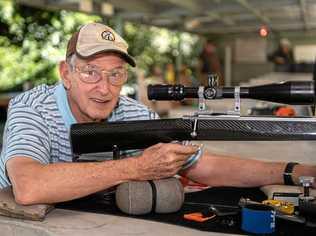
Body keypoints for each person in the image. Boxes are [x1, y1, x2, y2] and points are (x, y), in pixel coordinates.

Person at [0, 23, 315, 205]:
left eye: (116, 74)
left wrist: (296, 171)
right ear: (65, 74)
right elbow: (29, 186)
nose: (104, 89)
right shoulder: (32, 107)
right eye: (90, 72)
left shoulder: (131, 113)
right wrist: (136, 168)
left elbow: (204, 165)